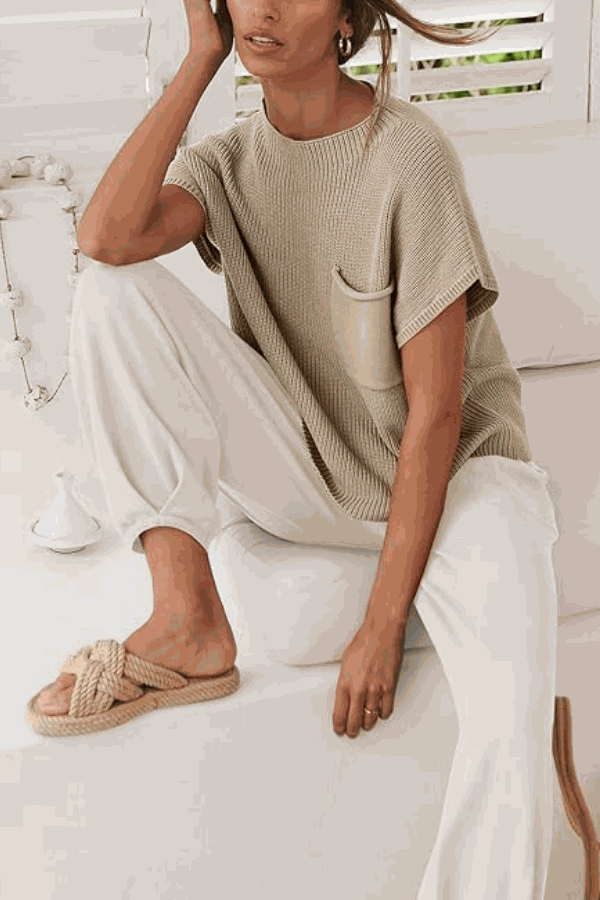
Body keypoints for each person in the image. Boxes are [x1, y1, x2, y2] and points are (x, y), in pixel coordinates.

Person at [31, 0, 560, 895]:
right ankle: (186, 619)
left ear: (347, 19)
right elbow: (104, 238)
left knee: (511, 719)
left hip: (459, 473)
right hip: (311, 462)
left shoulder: (410, 156)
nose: (265, 8)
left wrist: (381, 626)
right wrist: (199, 61)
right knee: (108, 289)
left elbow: (436, 415)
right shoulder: (228, 162)